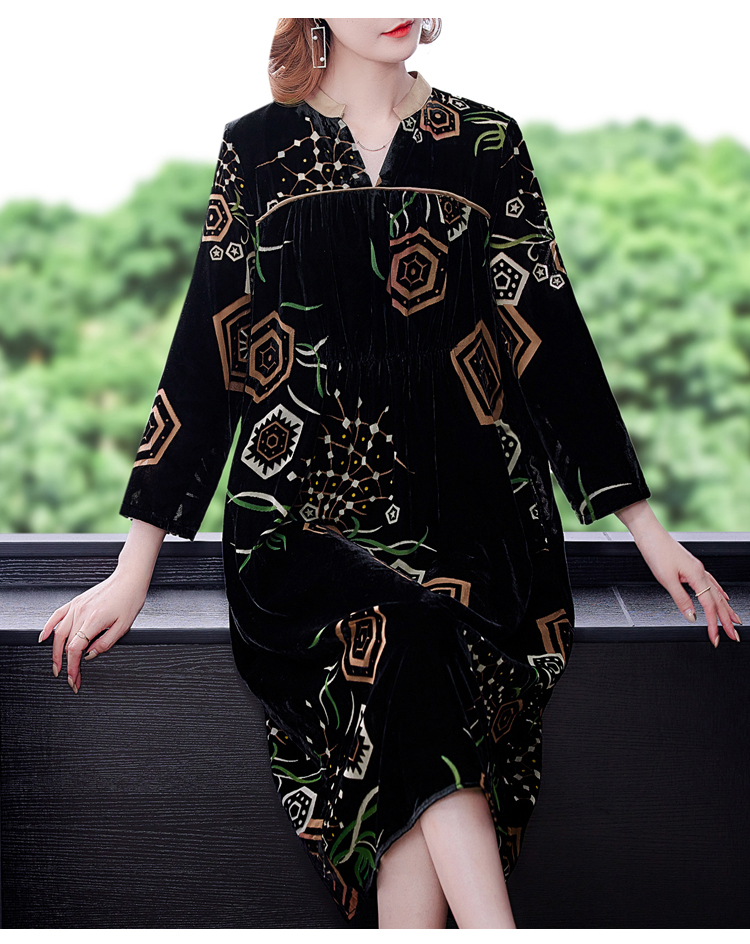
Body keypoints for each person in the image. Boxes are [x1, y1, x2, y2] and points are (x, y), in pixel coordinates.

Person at [39, 18, 741, 930]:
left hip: (471, 514)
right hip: (300, 518)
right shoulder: (258, 147)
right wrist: (133, 568)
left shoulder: (486, 142)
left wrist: (647, 530)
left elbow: (548, 333)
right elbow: (208, 354)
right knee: (411, 632)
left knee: (413, 665)